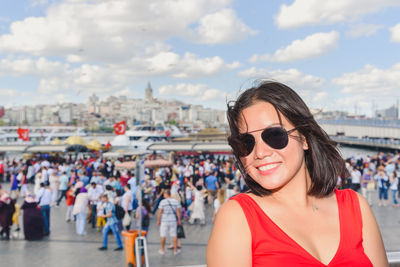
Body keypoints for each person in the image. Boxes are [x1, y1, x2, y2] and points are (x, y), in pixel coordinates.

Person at [207, 81, 388, 266]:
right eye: (246, 143)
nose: (260, 153)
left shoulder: (356, 207)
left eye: (275, 135)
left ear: (305, 138)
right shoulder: (237, 218)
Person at [157, 189, 181, 255]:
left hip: (164, 221)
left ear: (166, 194)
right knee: (174, 235)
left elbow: (159, 212)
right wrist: (179, 220)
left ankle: (162, 250)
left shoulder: (162, 202)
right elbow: (178, 212)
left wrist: (158, 220)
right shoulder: (175, 202)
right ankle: (175, 250)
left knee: (163, 235)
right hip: (173, 220)